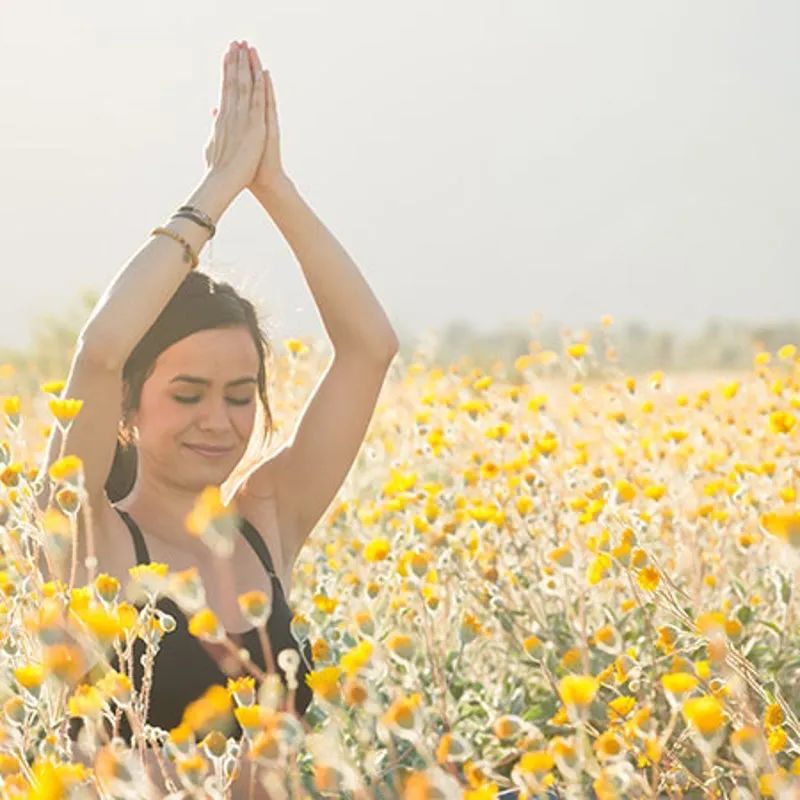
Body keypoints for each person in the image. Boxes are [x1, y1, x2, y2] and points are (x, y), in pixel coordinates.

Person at [37, 38, 399, 796]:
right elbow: (101, 350)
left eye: (240, 396)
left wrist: (275, 186)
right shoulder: (90, 539)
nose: (219, 421)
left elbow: (369, 348)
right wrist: (219, 187)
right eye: (189, 392)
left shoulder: (266, 522)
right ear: (130, 405)